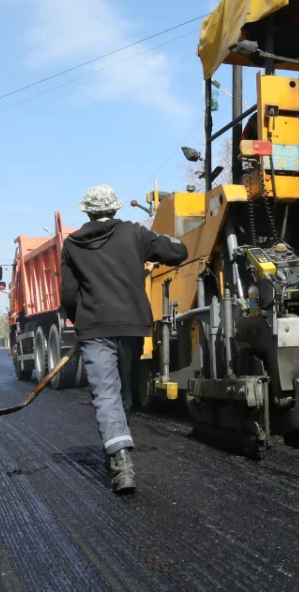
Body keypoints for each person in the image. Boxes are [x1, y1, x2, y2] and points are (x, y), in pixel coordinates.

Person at [60, 184, 188, 494]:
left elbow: (67, 293)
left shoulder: (72, 244)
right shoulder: (134, 233)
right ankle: (118, 448)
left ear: (88, 211)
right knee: (123, 392)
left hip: (95, 329)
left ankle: (119, 458)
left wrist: (83, 323)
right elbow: (177, 252)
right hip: (132, 327)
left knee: (108, 395)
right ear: (115, 209)